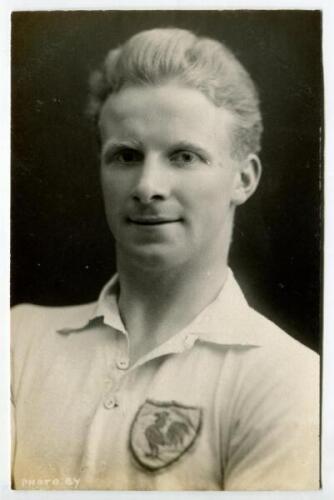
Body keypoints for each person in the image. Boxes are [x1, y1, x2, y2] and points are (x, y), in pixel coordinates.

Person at [11, 27, 319, 491]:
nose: (147, 186)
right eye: (126, 156)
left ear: (244, 179)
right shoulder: (17, 341)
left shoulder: (289, 378)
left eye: (184, 156)